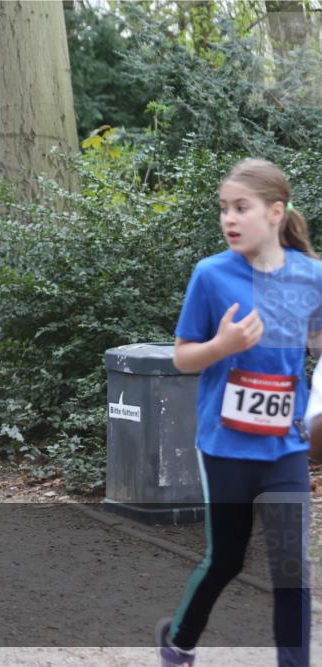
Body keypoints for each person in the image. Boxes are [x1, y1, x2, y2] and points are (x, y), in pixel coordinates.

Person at [159, 159, 321, 667]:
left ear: (275, 213)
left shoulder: (311, 276)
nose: (229, 218)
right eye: (224, 208)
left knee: (291, 569)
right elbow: (182, 357)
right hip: (226, 446)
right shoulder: (211, 275)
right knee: (226, 559)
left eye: (241, 208)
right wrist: (222, 346)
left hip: (285, 447)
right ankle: (179, 641)